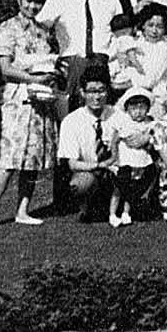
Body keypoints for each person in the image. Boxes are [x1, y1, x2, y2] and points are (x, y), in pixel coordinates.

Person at [0, 0, 61, 231]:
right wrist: (34, 76)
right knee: (10, 159)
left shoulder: (44, 31)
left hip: (41, 99)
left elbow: (49, 61)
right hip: (18, 100)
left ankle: (22, 210)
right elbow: (5, 69)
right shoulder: (7, 28)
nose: (33, 7)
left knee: (32, 159)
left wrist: (51, 73)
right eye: (29, 0)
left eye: (38, 2)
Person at [37, 0, 121, 105]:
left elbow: (120, 34)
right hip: (72, 63)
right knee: (73, 109)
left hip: (103, 63)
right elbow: (39, 29)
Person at [55, 71, 119, 222]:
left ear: (107, 91)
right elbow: (73, 164)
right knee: (81, 183)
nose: (96, 97)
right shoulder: (71, 121)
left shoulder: (118, 114)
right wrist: (99, 165)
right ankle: (86, 206)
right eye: (91, 91)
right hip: (90, 169)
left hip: (116, 170)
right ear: (82, 93)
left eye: (101, 91)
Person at [109, 87, 158, 226]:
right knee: (119, 188)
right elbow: (115, 140)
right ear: (127, 109)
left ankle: (126, 213)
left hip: (141, 160)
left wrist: (147, 141)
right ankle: (113, 214)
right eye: (134, 108)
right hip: (125, 161)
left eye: (142, 107)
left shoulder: (149, 124)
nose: (138, 111)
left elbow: (152, 142)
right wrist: (114, 157)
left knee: (132, 188)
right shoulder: (125, 123)